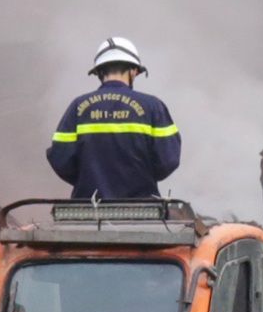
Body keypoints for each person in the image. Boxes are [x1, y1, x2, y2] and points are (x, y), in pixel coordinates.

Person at [45, 38, 181, 203]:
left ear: (99, 72)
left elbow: (60, 159)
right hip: (144, 211)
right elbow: (168, 160)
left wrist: (87, 179)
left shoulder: (78, 107)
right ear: (134, 71)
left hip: (86, 210)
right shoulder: (153, 106)